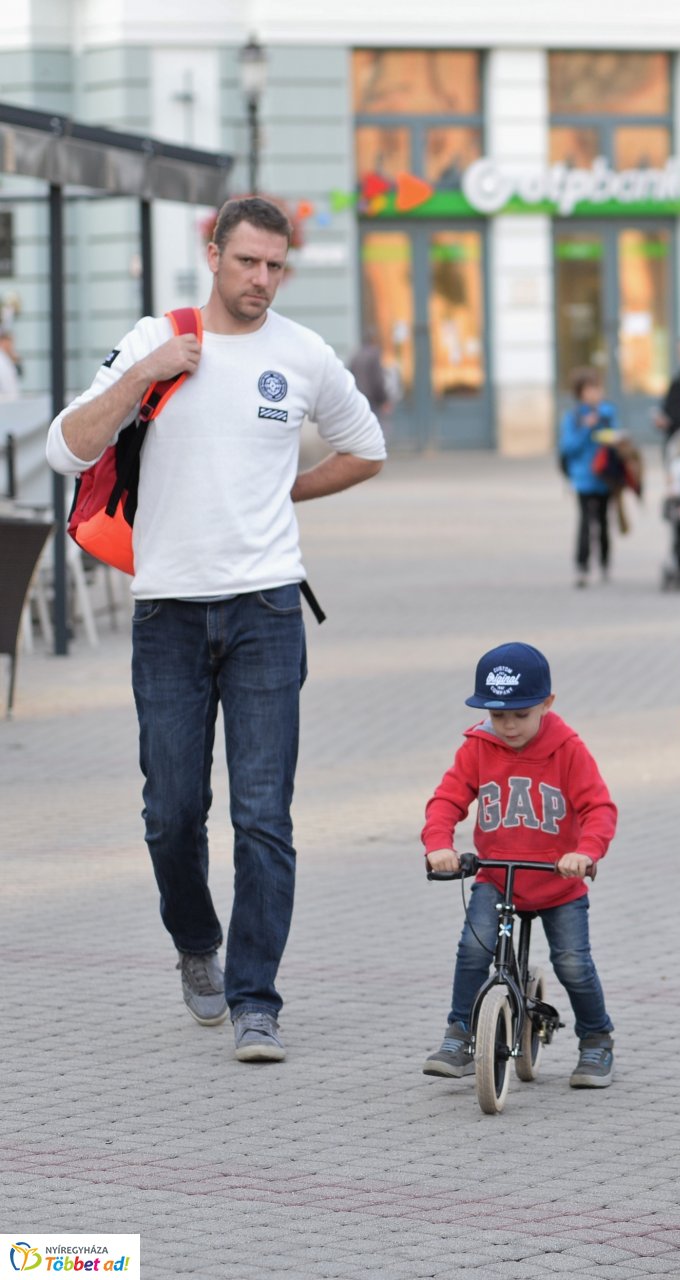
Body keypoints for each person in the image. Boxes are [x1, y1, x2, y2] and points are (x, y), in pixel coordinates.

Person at [44, 196, 386, 1062]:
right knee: (171, 812)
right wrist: (144, 372)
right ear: (213, 253)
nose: (261, 281)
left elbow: (366, 446)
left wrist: (290, 493)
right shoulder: (158, 338)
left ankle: (256, 999)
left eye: (275, 266)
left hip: (269, 608)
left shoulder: (303, 354)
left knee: (265, 816)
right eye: (247, 263)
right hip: (166, 612)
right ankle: (197, 944)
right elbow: (64, 449)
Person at [421, 642, 618, 1088]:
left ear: (547, 704)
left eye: (520, 714)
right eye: (497, 715)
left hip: (557, 883)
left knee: (572, 963)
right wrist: (439, 844)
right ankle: (460, 1033)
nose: (508, 726)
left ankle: (596, 1039)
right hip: (497, 876)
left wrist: (585, 853)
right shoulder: (477, 746)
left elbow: (599, 808)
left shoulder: (567, 749)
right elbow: (447, 799)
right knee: (474, 949)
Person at [559, 368, 619, 588]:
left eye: (598, 388)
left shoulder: (607, 413)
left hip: (605, 477)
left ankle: (604, 563)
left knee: (604, 521)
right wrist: (586, 429)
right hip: (584, 477)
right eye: (590, 389)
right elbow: (568, 447)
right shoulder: (573, 417)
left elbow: (615, 439)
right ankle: (582, 566)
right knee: (585, 522)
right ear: (581, 392)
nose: (595, 393)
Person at [347, 328, 391, 427]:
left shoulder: (356, 355)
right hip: (372, 401)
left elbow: (349, 376)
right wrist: (383, 400)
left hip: (357, 399)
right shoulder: (374, 354)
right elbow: (377, 380)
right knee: (376, 430)